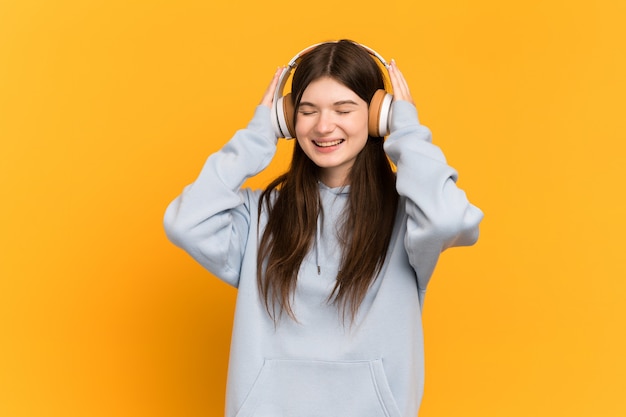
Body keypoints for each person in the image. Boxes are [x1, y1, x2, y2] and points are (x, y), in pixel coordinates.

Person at [164, 40, 483, 417]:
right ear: (287, 119)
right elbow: (184, 222)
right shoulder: (260, 214)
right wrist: (254, 139)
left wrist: (408, 131)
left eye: (343, 109)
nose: (323, 125)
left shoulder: (410, 218)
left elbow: (450, 219)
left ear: (377, 116)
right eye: (307, 111)